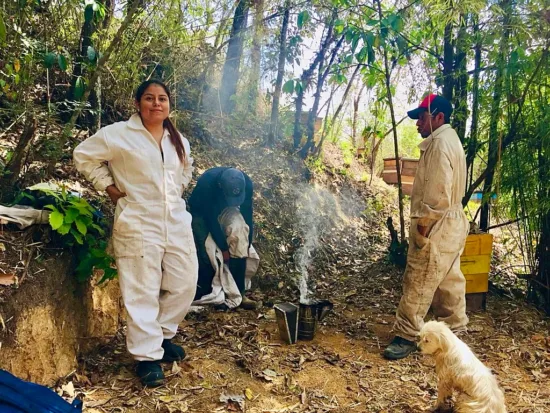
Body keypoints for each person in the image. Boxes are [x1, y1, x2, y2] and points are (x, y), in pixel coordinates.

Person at [73, 79, 198, 386]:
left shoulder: (177, 138)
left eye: (162, 99)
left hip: (176, 220)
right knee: (142, 289)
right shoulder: (119, 134)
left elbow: (186, 168)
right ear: (138, 103)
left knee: (185, 282)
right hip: (139, 219)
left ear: (169, 105)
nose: (156, 104)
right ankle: (146, 357)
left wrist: (179, 188)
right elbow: (83, 155)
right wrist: (109, 188)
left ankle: (162, 336)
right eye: (149, 98)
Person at [383, 94, 470, 360]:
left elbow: (436, 191)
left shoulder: (439, 144)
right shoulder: (452, 140)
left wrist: (423, 226)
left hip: (436, 223)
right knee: (448, 279)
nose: (418, 123)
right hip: (453, 221)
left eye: (422, 117)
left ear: (438, 117)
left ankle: (407, 334)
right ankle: (454, 329)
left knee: (420, 277)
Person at [188, 167, 259, 310]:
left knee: (240, 239)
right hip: (201, 212)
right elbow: (210, 219)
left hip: (225, 208)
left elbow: (247, 213)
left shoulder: (247, 183)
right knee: (208, 251)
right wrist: (224, 248)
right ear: (220, 186)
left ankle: (239, 292)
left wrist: (247, 241)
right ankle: (209, 292)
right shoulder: (207, 184)